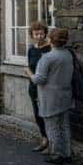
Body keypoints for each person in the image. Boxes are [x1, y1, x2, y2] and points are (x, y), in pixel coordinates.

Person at [26, 28, 74, 165]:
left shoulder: (47, 57)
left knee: (52, 127)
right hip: (65, 95)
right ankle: (67, 154)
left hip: (50, 97)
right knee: (64, 126)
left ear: (50, 40)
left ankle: (57, 154)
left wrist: (29, 73)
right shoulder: (68, 54)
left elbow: (38, 80)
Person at [24, 21, 51, 152]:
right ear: (32, 35)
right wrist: (29, 73)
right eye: (36, 34)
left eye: (41, 34)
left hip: (46, 87)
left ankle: (52, 141)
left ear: (45, 33)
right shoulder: (31, 49)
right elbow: (29, 65)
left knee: (48, 115)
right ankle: (44, 138)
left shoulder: (50, 49)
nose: (39, 36)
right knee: (38, 114)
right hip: (33, 87)